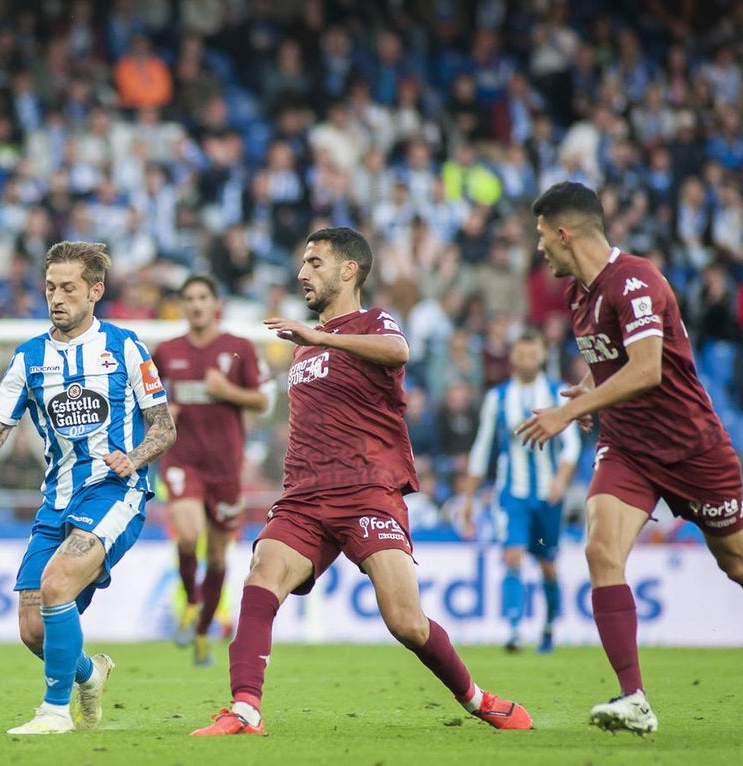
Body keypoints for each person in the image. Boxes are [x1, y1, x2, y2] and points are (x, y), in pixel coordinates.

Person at [191, 227, 532, 736]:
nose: (302, 273)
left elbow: (398, 351)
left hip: (367, 492)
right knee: (261, 576)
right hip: (304, 498)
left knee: (406, 622)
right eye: (302, 263)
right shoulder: (304, 350)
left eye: (315, 262)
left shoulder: (372, 323)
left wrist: (319, 336)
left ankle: (477, 698)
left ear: (349, 269)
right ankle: (245, 709)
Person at [516, 182, 743, 734]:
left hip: (692, 448)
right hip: (628, 447)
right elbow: (613, 363)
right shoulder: (577, 297)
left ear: (565, 234)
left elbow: (647, 369)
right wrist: (587, 391)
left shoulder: (635, 280)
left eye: (542, 236)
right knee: (600, 548)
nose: (539, 248)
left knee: (740, 565)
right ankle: (633, 696)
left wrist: (572, 411)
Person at [0, 241, 176, 735]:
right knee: (32, 629)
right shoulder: (28, 359)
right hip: (57, 500)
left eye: (68, 288)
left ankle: (53, 713)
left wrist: (132, 458)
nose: (57, 297)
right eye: (50, 288)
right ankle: (90, 672)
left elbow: (164, 428)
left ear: (95, 291)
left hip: (115, 491)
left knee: (57, 583)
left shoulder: (125, 346)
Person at [153, 275, 273, 665]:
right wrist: (160, 415)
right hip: (182, 460)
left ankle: (204, 629)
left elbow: (263, 402)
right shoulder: (166, 352)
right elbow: (145, 403)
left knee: (219, 559)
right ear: (183, 305)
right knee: (187, 536)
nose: (196, 304)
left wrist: (227, 392)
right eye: (189, 298)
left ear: (215, 302)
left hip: (225, 467)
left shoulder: (239, 350)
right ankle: (190, 602)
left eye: (203, 297)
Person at [461, 329, 580, 654]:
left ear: (542, 355)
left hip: (547, 496)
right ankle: (513, 630)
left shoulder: (558, 394)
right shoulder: (497, 397)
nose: (527, 359)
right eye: (522, 354)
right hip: (511, 494)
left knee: (547, 564)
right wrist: (469, 498)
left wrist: (560, 480)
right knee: (512, 555)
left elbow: (571, 446)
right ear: (512, 357)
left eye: (533, 354)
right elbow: (482, 447)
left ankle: (548, 626)